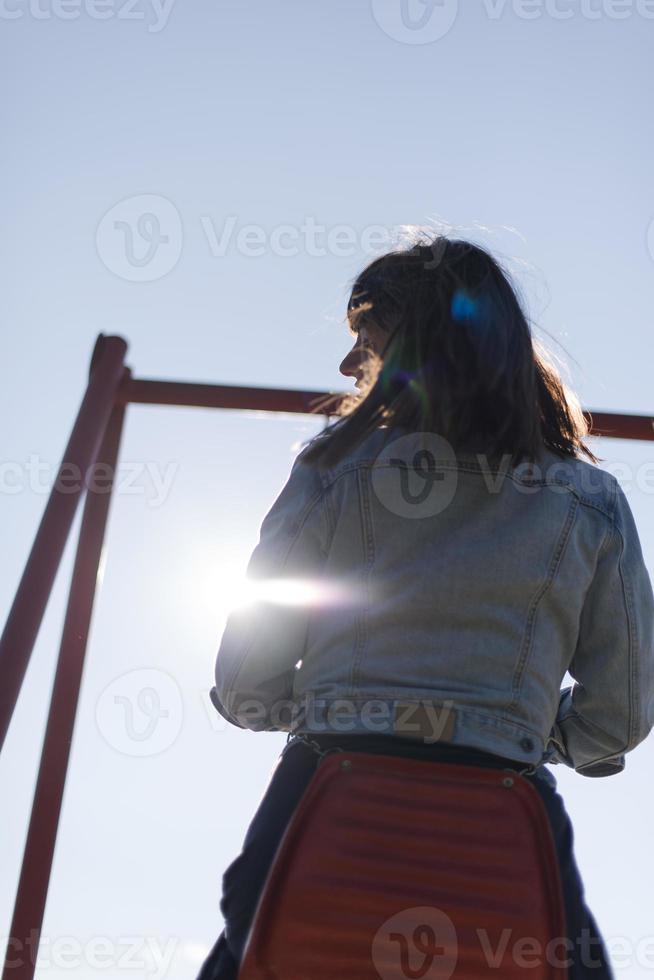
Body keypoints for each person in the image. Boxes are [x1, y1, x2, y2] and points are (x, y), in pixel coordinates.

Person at [196, 236, 654, 980]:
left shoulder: (330, 472)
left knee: (253, 956)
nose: (348, 367)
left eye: (364, 337)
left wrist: (329, 708)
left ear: (415, 346)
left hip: (325, 805)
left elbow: (248, 677)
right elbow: (621, 714)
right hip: (501, 824)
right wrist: (529, 732)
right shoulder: (590, 502)